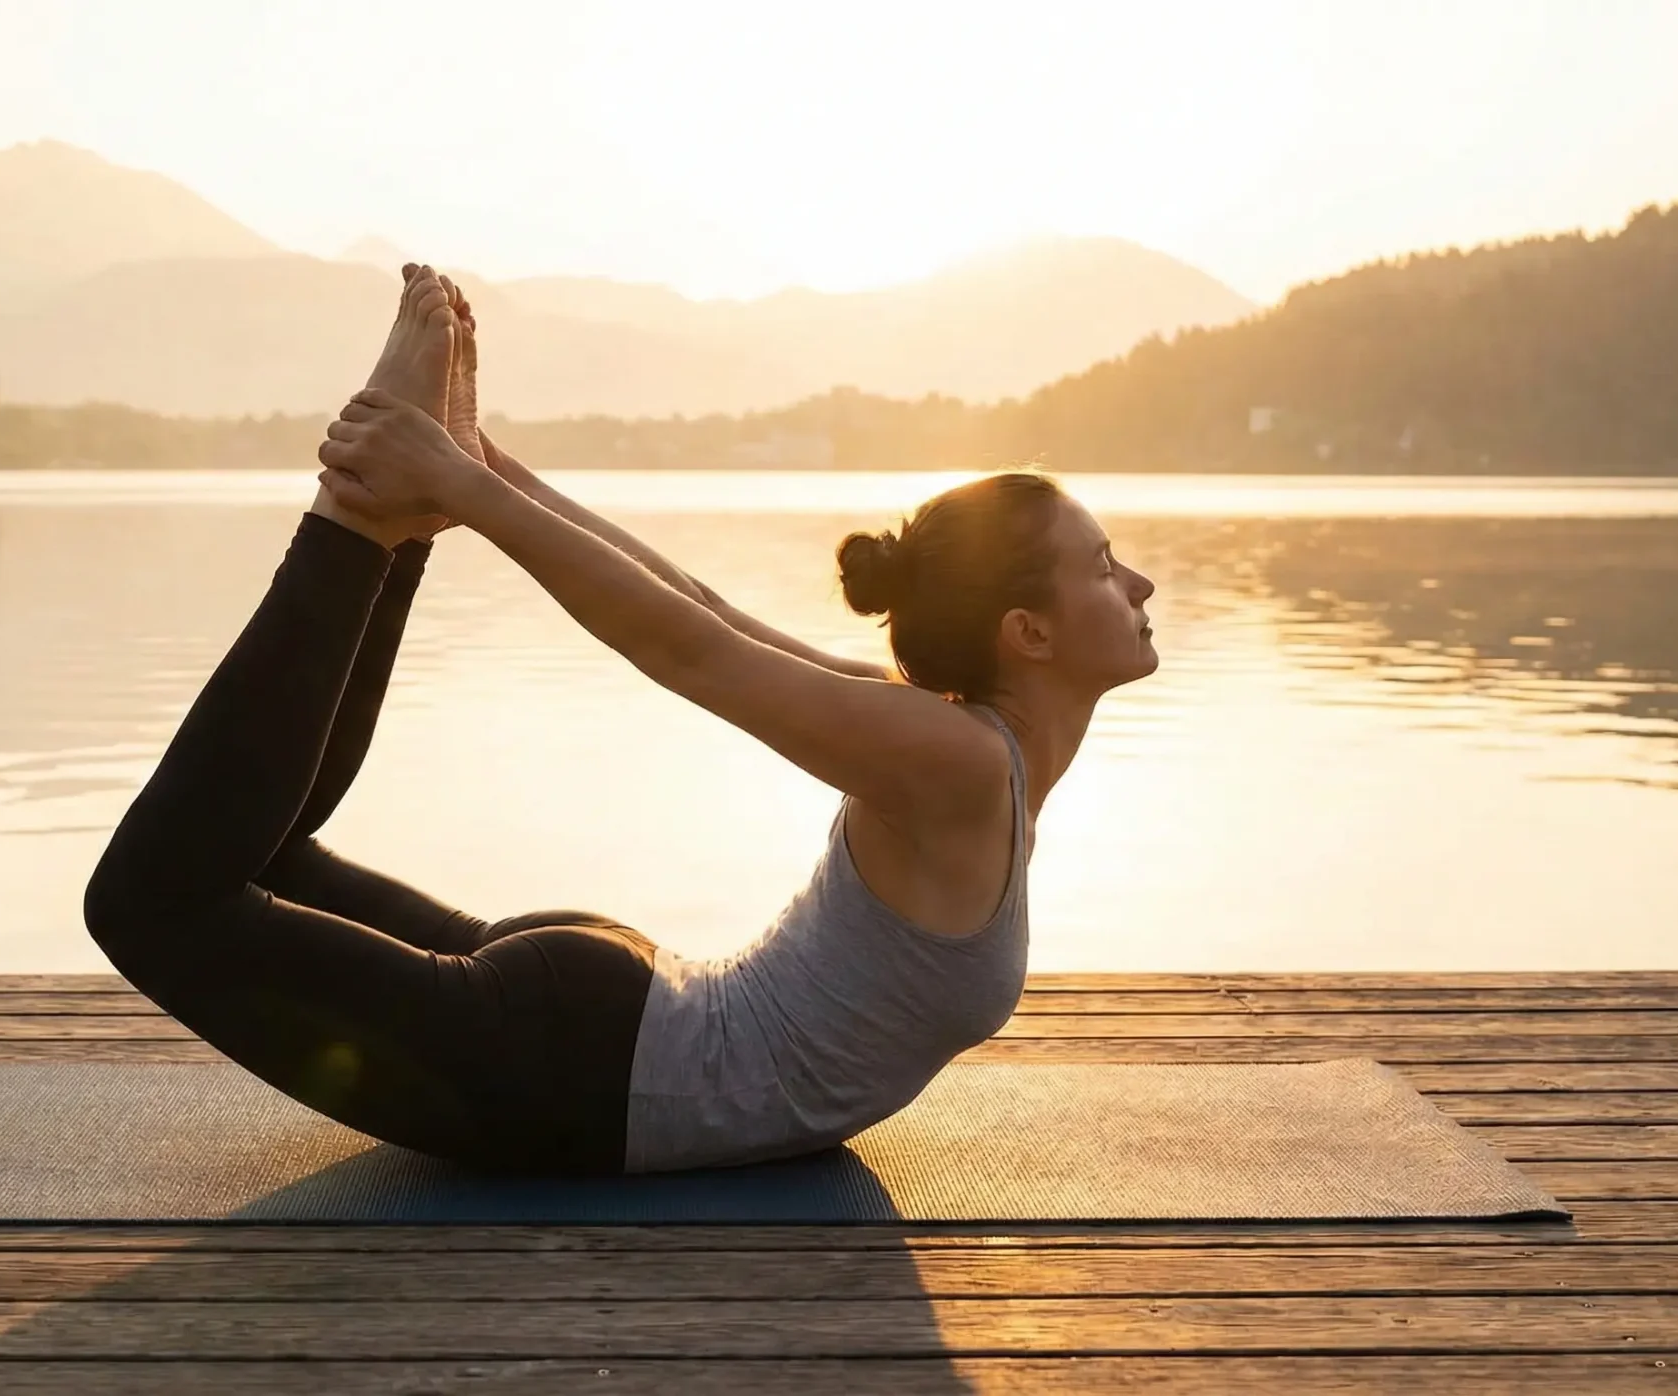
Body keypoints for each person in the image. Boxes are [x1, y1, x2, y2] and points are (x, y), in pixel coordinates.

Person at [82, 264, 1160, 1175]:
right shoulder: (957, 760)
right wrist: (472, 476)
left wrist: (472, 472)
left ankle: (390, 525)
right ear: (1029, 631)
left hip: (603, 1029)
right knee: (149, 900)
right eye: (1106, 569)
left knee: (243, 862)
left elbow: (705, 615)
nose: (1141, 584)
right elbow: (690, 637)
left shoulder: (957, 750)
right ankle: (364, 522)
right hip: (583, 1064)